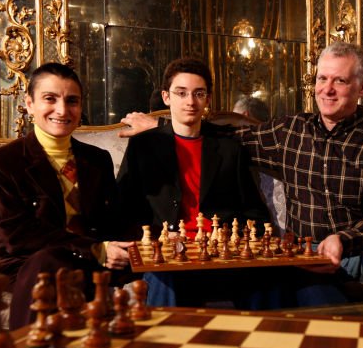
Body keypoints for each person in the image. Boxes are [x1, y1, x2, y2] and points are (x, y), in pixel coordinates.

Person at [121, 42, 363, 304]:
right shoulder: (290, 131)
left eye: (339, 81)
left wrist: (344, 239)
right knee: (324, 314)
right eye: (322, 79)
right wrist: (161, 129)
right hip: (307, 252)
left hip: (362, 247)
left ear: (362, 87)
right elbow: (220, 138)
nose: (327, 89)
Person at [0, 62, 131, 328]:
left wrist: (152, 239)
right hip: (28, 260)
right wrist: (97, 249)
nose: (62, 110)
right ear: (29, 104)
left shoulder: (97, 159)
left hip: (87, 259)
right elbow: (14, 236)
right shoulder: (3, 161)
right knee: (48, 264)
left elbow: (112, 221)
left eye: (72, 101)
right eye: (50, 99)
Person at [117, 57, 276, 308]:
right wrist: (155, 238)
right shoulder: (143, 146)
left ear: (208, 99)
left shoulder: (229, 149)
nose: (190, 102)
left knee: (264, 279)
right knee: (164, 275)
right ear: (166, 97)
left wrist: (233, 239)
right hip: (167, 255)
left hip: (218, 254)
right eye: (181, 93)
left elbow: (255, 212)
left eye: (198, 93)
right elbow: (122, 210)